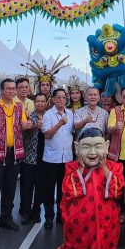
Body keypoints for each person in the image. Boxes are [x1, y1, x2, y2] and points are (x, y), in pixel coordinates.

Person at [57, 127, 125, 249]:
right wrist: (80, 170)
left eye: (98, 147)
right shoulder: (72, 167)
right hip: (79, 221)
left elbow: (117, 191)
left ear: (106, 146)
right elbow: (68, 190)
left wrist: (105, 167)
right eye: (86, 147)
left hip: (104, 221)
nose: (93, 153)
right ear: (77, 148)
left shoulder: (114, 167)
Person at [0, 78, 27, 235]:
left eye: (13, 89)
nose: (12, 91)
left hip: (15, 153)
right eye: (8, 88)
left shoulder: (19, 107)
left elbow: (23, 125)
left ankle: (6, 218)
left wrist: (29, 123)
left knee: (10, 188)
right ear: (1, 90)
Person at [40, 88, 74, 229]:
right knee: (49, 190)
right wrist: (60, 123)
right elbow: (47, 135)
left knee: (63, 190)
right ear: (53, 99)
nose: (61, 99)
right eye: (58, 97)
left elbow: (73, 131)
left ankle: (61, 216)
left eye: (64, 97)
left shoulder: (70, 113)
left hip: (66, 158)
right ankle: (48, 217)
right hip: (51, 158)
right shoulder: (48, 115)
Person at [20, 92, 49, 225]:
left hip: (45, 159)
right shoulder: (28, 116)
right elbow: (23, 133)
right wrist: (34, 128)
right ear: (34, 102)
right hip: (29, 158)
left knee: (41, 188)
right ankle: (25, 213)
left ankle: (36, 211)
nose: (40, 104)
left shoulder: (50, 117)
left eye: (43, 101)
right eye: (38, 101)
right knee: (27, 187)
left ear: (46, 103)